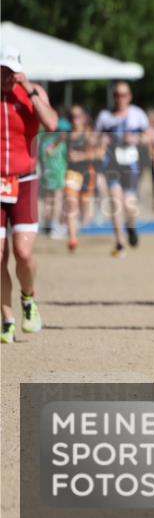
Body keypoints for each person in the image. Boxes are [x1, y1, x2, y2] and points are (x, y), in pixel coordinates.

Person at [1, 47, 59, 344]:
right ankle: (7, 319)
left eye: (13, 71)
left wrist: (29, 91)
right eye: (4, 71)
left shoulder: (32, 91)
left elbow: (51, 124)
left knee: (23, 253)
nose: (9, 77)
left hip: (25, 181)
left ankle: (28, 298)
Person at [95, 81, 149, 257]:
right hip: (112, 165)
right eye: (117, 95)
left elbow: (150, 137)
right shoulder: (105, 117)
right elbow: (94, 138)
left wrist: (136, 139)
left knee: (129, 204)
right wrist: (102, 141)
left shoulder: (138, 115)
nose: (120, 98)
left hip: (131, 165)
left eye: (124, 95)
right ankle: (119, 243)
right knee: (115, 203)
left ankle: (131, 227)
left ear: (130, 96)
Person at [64, 105, 97, 252]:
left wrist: (81, 156)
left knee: (84, 206)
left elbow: (100, 153)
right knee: (71, 204)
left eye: (77, 116)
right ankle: (72, 238)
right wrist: (51, 148)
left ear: (83, 118)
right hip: (72, 173)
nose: (74, 120)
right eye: (71, 117)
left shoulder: (89, 134)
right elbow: (58, 141)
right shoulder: (67, 134)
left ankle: (79, 224)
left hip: (87, 173)